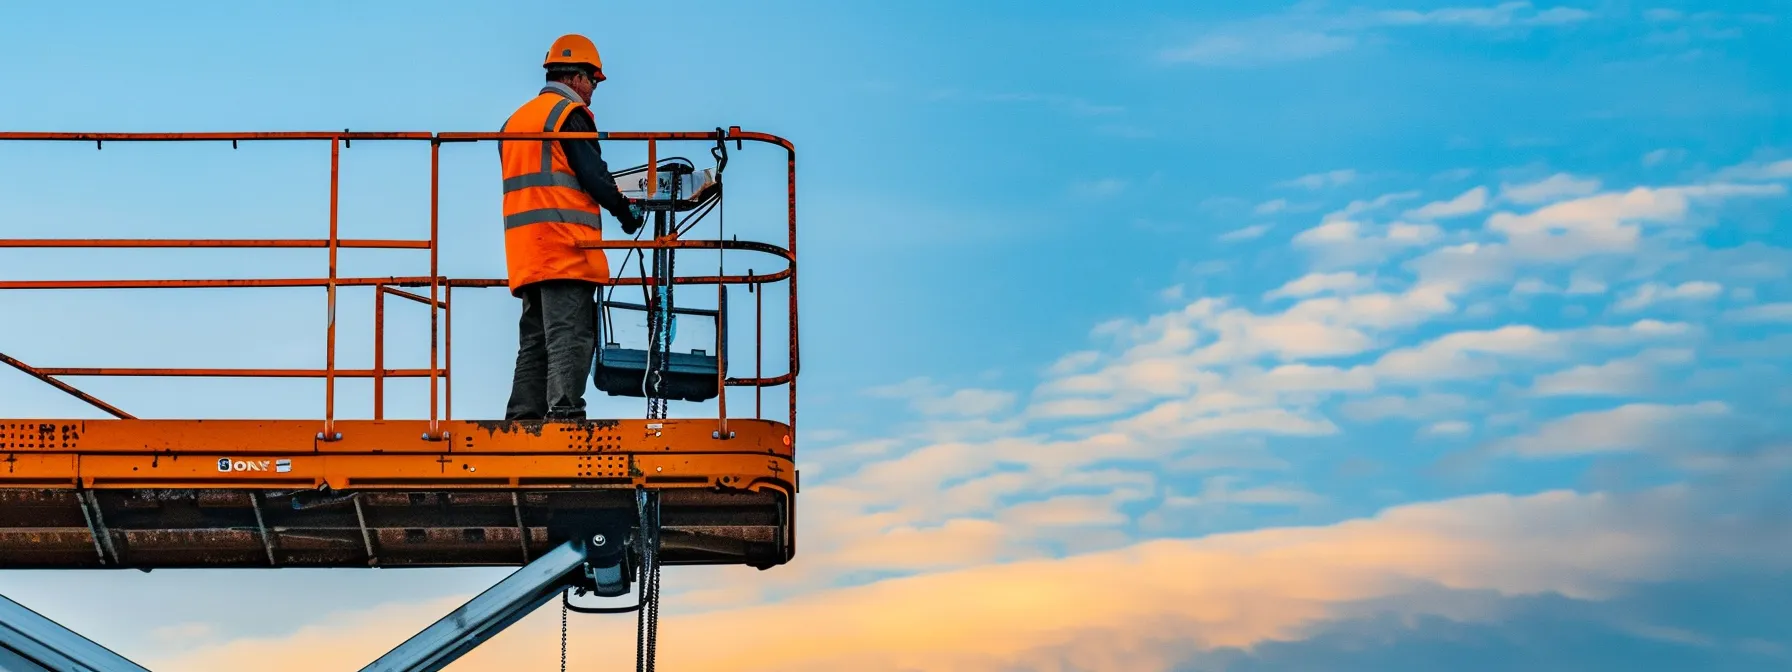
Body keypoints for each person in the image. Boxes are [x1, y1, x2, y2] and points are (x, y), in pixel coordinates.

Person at [499, 33, 644, 421]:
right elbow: (594, 176)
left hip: (527, 253)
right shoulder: (568, 115)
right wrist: (627, 213)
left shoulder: (515, 121)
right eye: (594, 81)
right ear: (578, 77)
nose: (594, 90)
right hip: (565, 247)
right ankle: (565, 415)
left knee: (535, 340)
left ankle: (523, 417)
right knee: (570, 335)